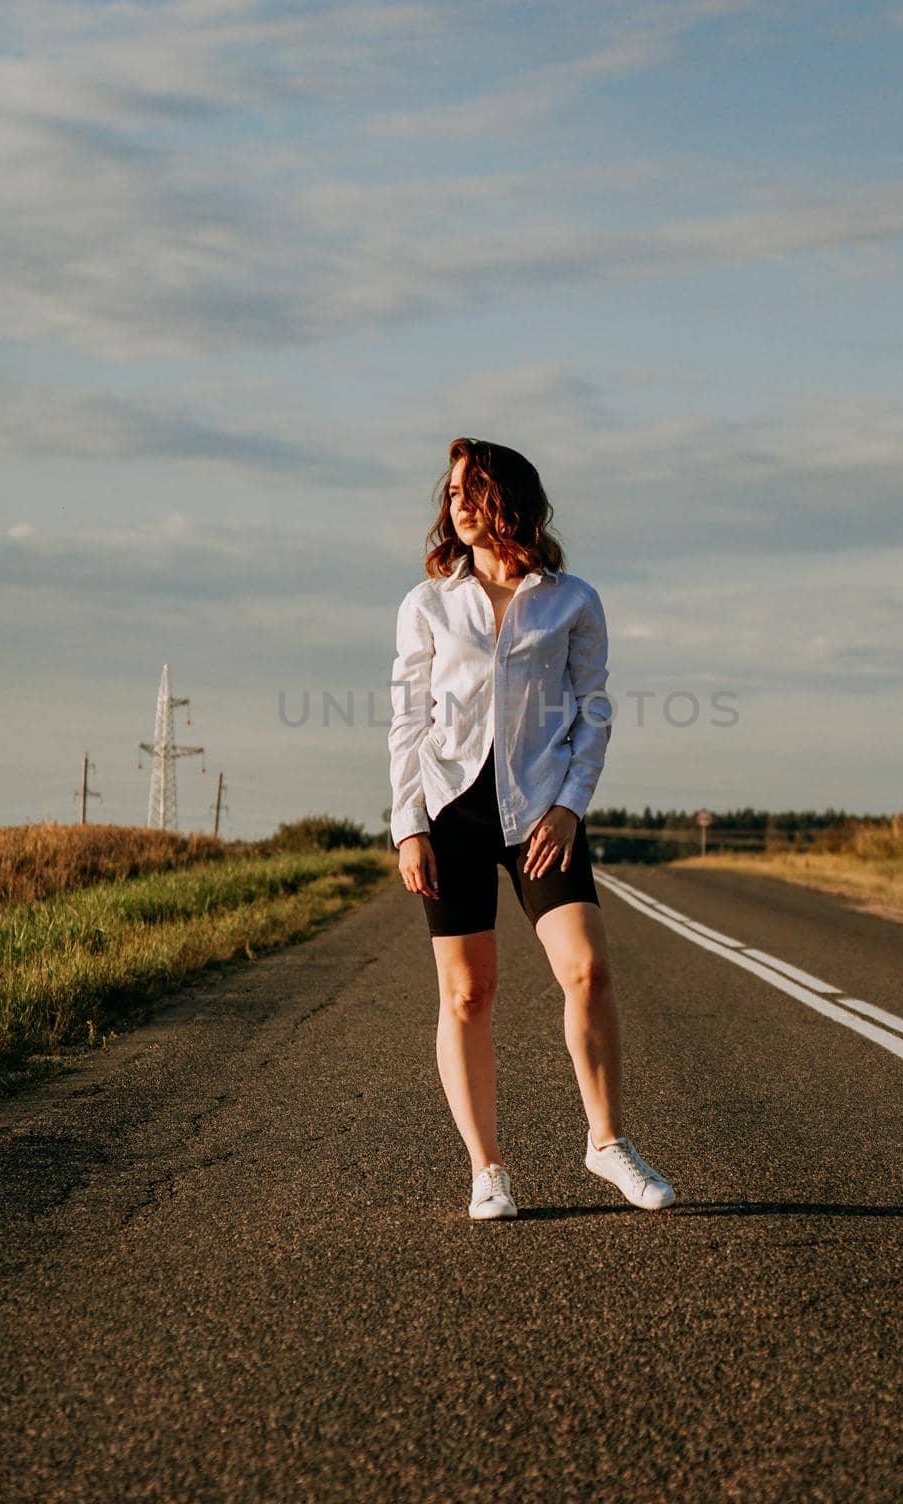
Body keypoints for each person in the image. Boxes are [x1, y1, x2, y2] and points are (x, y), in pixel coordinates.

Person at [388, 437, 675, 1220]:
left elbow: (594, 711)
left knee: (585, 968)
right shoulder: (428, 604)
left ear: (510, 498)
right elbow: (407, 721)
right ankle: (487, 1170)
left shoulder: (571, 599)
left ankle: (606, 1142)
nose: (457, 504)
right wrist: (406, 824)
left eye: (472, 489)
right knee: (467, 993)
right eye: (450, 494)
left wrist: (569, 807)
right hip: (450, 810)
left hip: (541, 811)